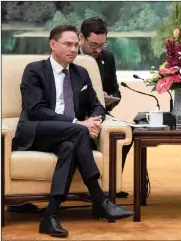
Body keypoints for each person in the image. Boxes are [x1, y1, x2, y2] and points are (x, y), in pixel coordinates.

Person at [12, 25, 134, 238]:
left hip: (66, 135)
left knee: (69, 146)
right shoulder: (35, 70)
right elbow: (36, 110)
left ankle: (50, 215)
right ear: (53, 45)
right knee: (78, 132)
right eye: (68, 44)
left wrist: (94, 120)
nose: (73, 49)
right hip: (37, 131)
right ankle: (99, 199)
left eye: (76, 45)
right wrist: (77, 122)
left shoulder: (81, 73)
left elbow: (97, 104)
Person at [79, 17, 133, 198]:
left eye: (102, 45)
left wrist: (108, 100)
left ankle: (111, 184)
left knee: (126, 133)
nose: (98, 50)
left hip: (100, 112)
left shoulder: (107, 58)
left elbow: (115, 92)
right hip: (75, 114)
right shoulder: (68, 55)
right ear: (81, 38)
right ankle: (88, 187)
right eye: (93, 45)